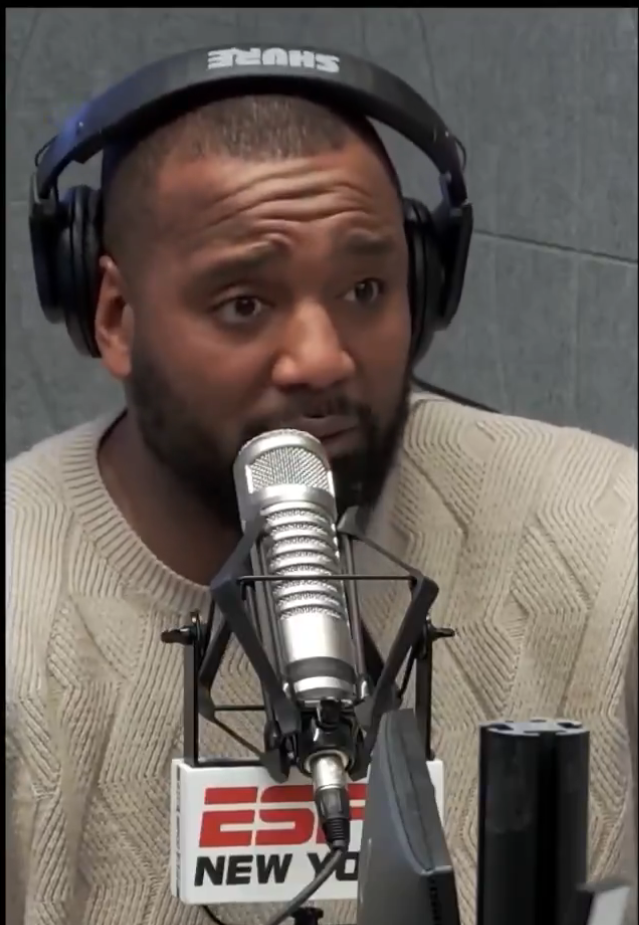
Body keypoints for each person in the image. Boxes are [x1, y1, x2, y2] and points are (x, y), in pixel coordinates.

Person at [6, 66, 637, 925]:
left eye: (364, 291)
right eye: (243, 303)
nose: (321, 356)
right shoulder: (20, 600)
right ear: (114, 315)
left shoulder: (599, 531)